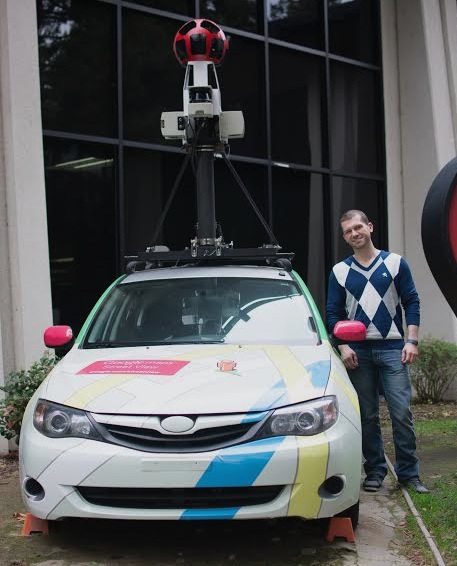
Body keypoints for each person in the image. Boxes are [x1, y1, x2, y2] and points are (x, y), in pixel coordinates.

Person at [326, 210, 429, 494]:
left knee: (401, 413)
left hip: (394, 348)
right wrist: (343, 346)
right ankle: (375, 471)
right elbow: (333, 314)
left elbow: (412, 301)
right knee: (367, 415)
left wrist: (412, 341)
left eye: (358, 227)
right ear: (345, 237)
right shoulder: (339, 271)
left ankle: (409, 474)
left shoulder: (395, 263)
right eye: (348, 231)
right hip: (358, 352)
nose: (354, 233)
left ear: (370, 227)